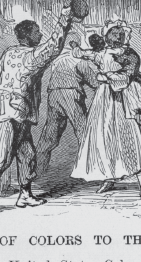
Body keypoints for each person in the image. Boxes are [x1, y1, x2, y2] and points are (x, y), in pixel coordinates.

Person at [0, 7, 77, 211]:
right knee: (0, 154)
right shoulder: (32, 56)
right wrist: (66, 18)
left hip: (13, 110)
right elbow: (54, 45)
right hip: (11, 111)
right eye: (36, 32)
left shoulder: (9, 53)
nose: (40, 34)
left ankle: (25, 194)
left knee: (26, 153)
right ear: (27, 36)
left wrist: (0, 94)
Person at [73, 46, 141, 202]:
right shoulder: (103, 53)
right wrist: (79, 51)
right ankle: (109, 180)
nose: (118, 37)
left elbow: (125, 78)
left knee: (136, 146)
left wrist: (104, 76)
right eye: (114, 34)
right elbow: (88, 56)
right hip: (105, 104)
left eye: (121, 34)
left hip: (126, 105)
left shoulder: (130, 58)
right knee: (107, 143)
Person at [37, 34, 103, 175]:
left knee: (50, 135)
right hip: (71, 95)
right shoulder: (79, 60)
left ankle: (38, 170)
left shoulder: (58, 59)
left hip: (53, 95)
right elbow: (95, 82)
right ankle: (93, 171)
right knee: (84, 133)